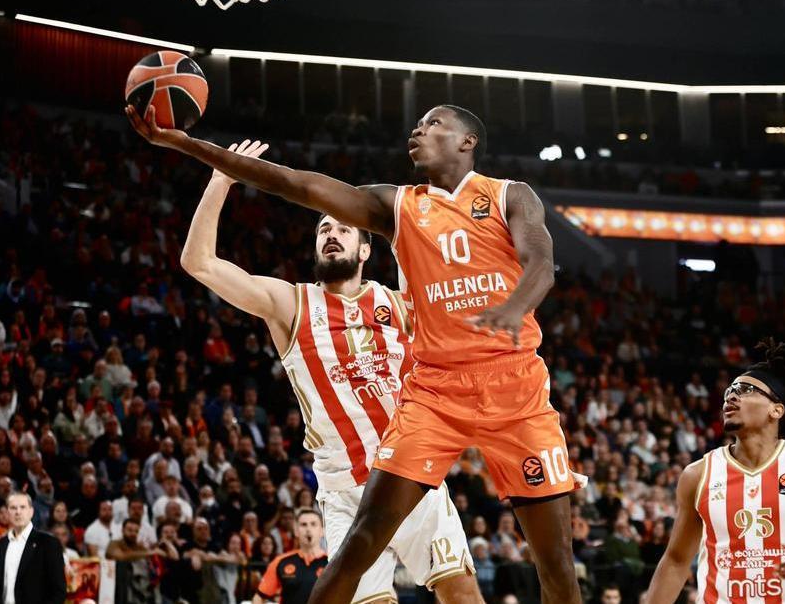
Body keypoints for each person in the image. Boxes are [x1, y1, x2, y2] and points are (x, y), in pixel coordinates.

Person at [130, 100, 584, 604]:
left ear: (467, 141)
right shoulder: (330, 266)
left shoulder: (495, 208)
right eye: (323, 228)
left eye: (433, 122)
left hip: (507, 391)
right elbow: (295, 185)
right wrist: (195, 149)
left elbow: (541, 264)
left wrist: (513, 309)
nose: (417, 127)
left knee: (545, 574)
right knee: (355, 561)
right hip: (393, 433)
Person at [177, 138, 480, 603]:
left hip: (411, 473)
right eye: (323, 229)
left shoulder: (397, 303)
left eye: (344, 229)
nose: (331, 234)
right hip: (345, 492)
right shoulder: (290, 304)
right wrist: (221, 179)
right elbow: (198, 262)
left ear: (364, 251)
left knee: (462, 595)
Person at [644, 339, 785, 602]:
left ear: (776, 409)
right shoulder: (698, 474)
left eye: (746, 389)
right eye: (730, 390)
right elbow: (676, 563)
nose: (732, 395)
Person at [0, 491, 67, 604]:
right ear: (7, 513)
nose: (18, 512)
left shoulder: (48, 544)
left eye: (22, 507)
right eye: (13, 508)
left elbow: (59, 591)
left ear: (31, 512)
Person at [254, 508, 328, 604]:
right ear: (296, 531)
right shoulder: (281, 561)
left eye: (313, 524)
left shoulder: (331, 563)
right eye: (303, 525)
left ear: (322, 531)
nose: (308, 529)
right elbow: (259, 597)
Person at [107, 518, 179, 604]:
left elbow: (174, 558)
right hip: (121, 587)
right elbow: (120, 557)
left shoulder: (140, 547)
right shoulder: (114, 543)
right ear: (122, 530)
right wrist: (150, 552)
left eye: (136, 531)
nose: (133, 534)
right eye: (130, 530)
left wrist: (167, 542)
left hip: (144, 588)